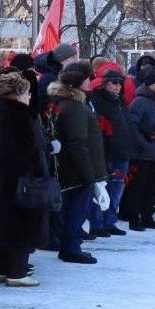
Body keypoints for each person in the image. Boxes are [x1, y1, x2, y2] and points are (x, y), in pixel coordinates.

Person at [0, 72, 48, 287]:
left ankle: (2, 269)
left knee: (3, 224)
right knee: (21, 225)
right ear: (18, 94)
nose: (29, 96)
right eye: (27, 92)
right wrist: (38, 169)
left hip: (2, 179)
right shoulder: (20, 115)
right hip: (21, 182)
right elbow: (28, 151)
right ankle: (17, 272)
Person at [49, 63, 105, 263]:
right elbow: (77, 143)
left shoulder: (65, 103)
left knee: (72, 209)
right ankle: (71, 248)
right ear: (78, 82)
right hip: (76, 170)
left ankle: (70, 246)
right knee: (76, 210)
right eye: (88, 78)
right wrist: (89, 174)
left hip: (69, 168)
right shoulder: (74, 107)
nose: (90, 82)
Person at [125, 66, 155, 231]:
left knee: (151, 187)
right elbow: (132, 127)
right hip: (142, 154)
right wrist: (143, 144)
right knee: (138, 187)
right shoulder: (139, 102)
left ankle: (147, 216)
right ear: (150, 83)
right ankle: (133, 218)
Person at [90, 68, 134, 235]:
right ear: (105, 84)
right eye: (114, 83)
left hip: (122, 152)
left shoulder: (120, 102)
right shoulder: (98, 101)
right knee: (102, 190)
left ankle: (110, 221)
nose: (118, 86)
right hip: (106, 153)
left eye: (120, 83)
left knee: (116, 190)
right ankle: (98, 223)